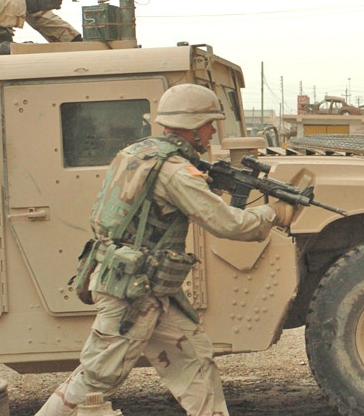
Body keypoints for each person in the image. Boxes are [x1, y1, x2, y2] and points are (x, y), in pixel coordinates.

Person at [37, 84, 298, 416]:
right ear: (191, 125)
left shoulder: (139, 152)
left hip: (151, 288)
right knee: (97, 376)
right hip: (133, 292)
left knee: (195, 363)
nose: (213, 131)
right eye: (209, 123)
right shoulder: (176, 171)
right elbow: (227, 224)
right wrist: (273, 213)